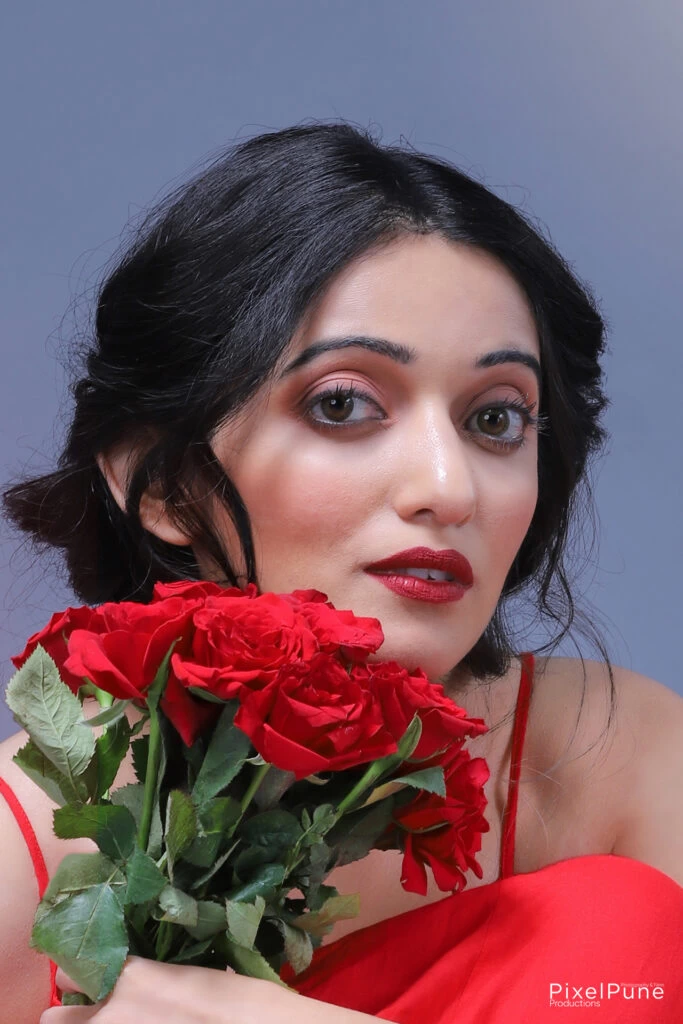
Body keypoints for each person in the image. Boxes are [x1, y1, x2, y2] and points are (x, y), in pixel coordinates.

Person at [0, 121, 681, 1023]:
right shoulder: (25, 869)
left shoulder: (611, 758)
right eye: (342, 404)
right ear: (163, 485)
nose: (448, 488)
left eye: (495, 420)